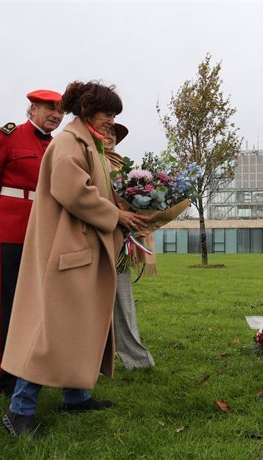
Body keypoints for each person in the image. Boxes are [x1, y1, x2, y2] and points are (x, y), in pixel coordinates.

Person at [0, 81, 149, 437]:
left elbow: (97, 188)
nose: (111, 121)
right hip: (65, 252)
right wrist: (117, 215)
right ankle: (18, 411)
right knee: (48, 333)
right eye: (107, 113)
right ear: (86, 110)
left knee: (77, 328)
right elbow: (74, 192)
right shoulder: (70, 143)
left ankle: (75, 397)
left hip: (79, 249)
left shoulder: (88, 144)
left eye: (114, 115)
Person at [0, 89, 63, 396]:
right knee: (10, 304)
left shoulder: (58, 146)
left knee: (43, 304)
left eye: (61, 111)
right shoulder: (8, 136)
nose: (56, 115)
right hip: (13, 232)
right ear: (32, 109)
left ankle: (35, 368)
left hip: (46, 231)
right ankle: (5, 376)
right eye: (49, 108)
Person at [104, 123, 155, 369]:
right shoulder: (89, 160)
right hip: (94, 236)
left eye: (113, 134)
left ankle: (135, 359)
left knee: (122, 298)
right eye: (105, 131)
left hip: (121, 238)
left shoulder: (123, 165)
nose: (108, 136)